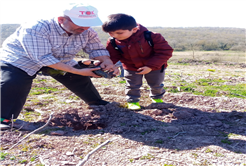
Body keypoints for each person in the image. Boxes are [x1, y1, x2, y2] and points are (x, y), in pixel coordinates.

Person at [0, 3, 119, 130]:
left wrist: (106, 61)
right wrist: (76, 70)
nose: (86, 27)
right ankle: (4, 119)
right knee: (14, 83)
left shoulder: (86, 31)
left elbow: (96, 49)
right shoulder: (36, 27)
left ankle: (97, 104)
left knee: (76, 78)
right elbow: (43, 58)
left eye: (89, 22)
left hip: (59, 59)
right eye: (80, 22)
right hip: (21, 59)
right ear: (61, 20)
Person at [102, 13, 173, 110]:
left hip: (155, 66)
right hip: (130, 67)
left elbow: (165, 52)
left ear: (134, 29)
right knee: (132, 85)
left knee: (156, 84)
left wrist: (150, 66)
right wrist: (109, 65)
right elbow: (113, 56)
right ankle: (133, 101)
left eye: (119, 33)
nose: (115, 36)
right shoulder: (113, 41)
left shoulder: (152, 36)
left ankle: (157, 98)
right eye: (110, 33)